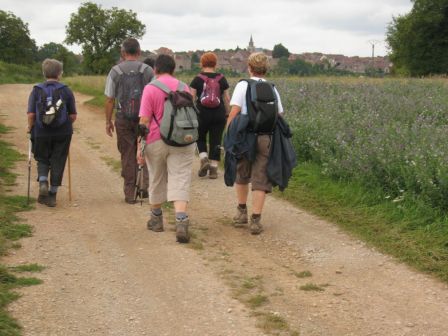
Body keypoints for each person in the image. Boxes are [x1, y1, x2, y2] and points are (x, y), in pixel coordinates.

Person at [138, 54, 195, 243]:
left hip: (156, 140)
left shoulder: (150, 88)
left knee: (156, 176)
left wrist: (140, 146)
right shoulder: (184, 87)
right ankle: (181, 220)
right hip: (182, 139)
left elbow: (144, 120)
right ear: (174, 69)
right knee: (180, 177)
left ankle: (156, 219)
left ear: (155, 69)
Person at [226, 52, 284, 234]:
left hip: (245, 136)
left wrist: (228, 134)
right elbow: (280, 115)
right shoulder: (272, 88)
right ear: (266, 69)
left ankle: (242, 212)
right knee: (261, 177)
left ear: (249, 67)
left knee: (242, 172)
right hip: (266, 137)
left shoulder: (243, 86)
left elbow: (234, 111)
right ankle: (256, 220)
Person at [104, 38, 154, 204]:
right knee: (145, 151)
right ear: (139, 52)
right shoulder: (148, 71)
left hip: (123, 118)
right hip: (145, 118)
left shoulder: (114, 71)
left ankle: (130, 192)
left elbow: (110, 99)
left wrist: (108, 121)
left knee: (127, 154)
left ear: (123, 53)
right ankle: (145, 187)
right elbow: (154, 96)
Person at [27, 58, 77, 207]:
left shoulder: (36, 90)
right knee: (58, 160)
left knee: (42, 158)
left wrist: (30, 128)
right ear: (60, 74)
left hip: (41, 131)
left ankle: (43, 181)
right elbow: (73, 115)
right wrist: (65, 124)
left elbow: (31, 115)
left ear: (44, 73)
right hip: (63, 132)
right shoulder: (66, 90)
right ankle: (52, 194)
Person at [190, 52, 230, 179]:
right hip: (219, 114)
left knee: (200, 136)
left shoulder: (197, 79)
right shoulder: (222, 78)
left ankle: (203, 158)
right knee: (216, 140)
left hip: (201, 113)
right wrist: (227, 113)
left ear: (202, 63)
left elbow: (191, 98)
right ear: (215, 63)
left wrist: (191, 113)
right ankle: (213, 170)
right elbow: (227, 99)